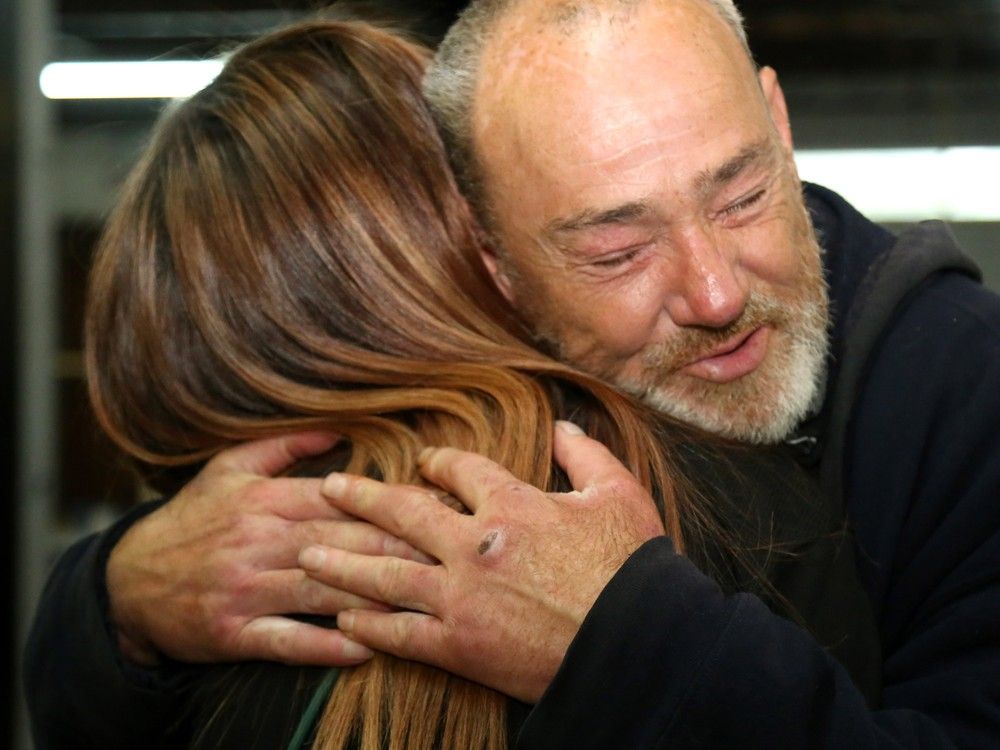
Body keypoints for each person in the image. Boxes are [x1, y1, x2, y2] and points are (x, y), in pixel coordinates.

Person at [24, 16, 879, 749]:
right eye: (614, 248)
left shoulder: (198, 612)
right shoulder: (717, 488)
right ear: (480, 246)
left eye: (741, 198)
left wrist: (111, 602)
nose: (712, 294)